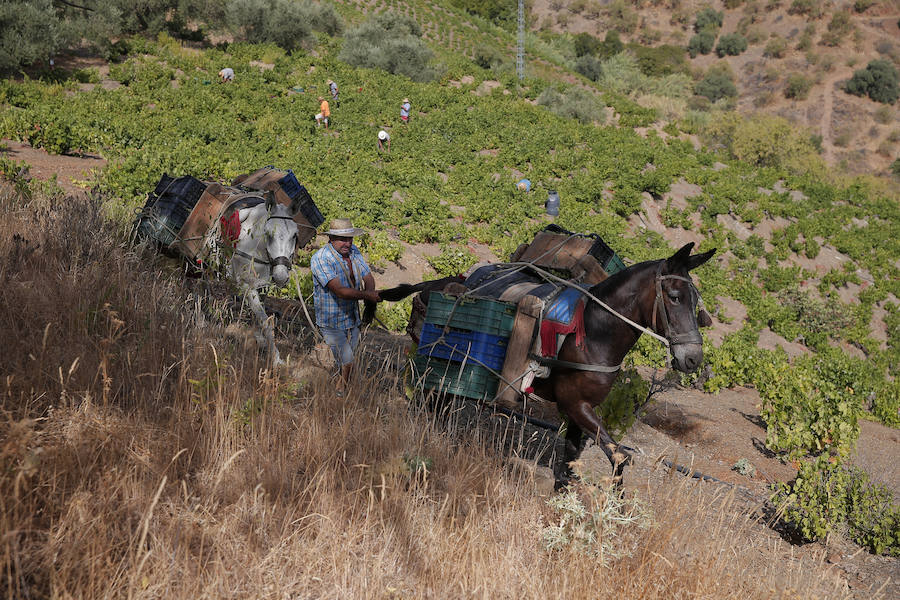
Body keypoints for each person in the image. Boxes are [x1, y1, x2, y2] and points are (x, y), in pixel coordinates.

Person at [310, 218, 381, 394]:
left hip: (352, 316)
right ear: (331, 239)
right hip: (331, 319)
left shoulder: (353, 252)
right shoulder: (321, 258)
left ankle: (342, 384)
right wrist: (367, 295)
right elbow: (339, 291)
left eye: (350, 239)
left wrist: (370, 293)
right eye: (343, 239)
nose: (348, 243)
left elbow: (367, 276)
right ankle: (341, 391)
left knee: (350, 355)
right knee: (347, 359)